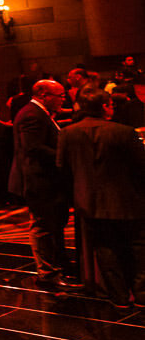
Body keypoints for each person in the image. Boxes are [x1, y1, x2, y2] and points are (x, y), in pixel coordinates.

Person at [57, 87, 145, 309]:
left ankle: (119, 297)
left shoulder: (68, 132)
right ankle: (142, 295)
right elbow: (142, 167)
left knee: (105, 248)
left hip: (88, 201)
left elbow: (63, 169)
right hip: (129, 200)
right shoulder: (124, 132)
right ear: (105, 106)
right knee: (138, 248)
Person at [10, 78, 83, 292]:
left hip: (46, 180)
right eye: (59, 95)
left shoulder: (39, 113)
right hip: (38, 181)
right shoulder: (32, 114)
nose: (63, 99)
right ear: (44, 95)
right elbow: (34, 148)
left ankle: (57, 266)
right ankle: (47, 273)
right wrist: (66, 156)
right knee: (42, 226)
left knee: (53, 225)